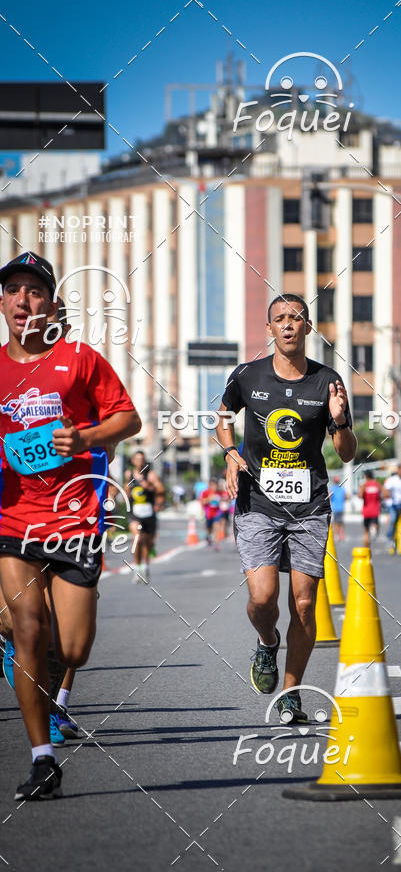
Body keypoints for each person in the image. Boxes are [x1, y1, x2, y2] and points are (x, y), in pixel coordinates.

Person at [0, 251, 141, 801]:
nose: (22, 299)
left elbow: (128, 418)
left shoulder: (80, 359)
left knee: (72, 649)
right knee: (28, 628)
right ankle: (42, 759)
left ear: (52, 304)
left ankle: (39, 654)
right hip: (13, 519)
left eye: (34, 290)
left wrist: (84, 438)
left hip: (74, 518)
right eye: (13, 289)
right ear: (2, 303)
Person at [216, 293, 356, 723]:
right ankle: (267, 642)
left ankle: (291, 693)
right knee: (262, 598)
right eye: (280, 318)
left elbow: (347, 453)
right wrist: (229, 453)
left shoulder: (327, 380)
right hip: (257, 501)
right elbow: (222, 418)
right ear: (269, 328)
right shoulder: (247, 375)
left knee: (305, 603)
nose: (289, 325)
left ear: (308, 327)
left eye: (296, 318)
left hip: (309, 505)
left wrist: (340, 419)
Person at [125, 450, 165, 583]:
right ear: (133, 461)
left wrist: (150, 487)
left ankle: (145, 567)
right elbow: (126, 490)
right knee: (137, 538)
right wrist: (126, 492)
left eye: (141, 459)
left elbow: (161, 490)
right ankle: (137, 569)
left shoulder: (151, 475)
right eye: (137, 459)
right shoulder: (129, 474)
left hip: (148, 513)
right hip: (135, 513)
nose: (139, 462)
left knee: (147, 543)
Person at [358, 470, 383, 547]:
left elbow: (360, 496)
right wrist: (379, 498)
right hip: (375, 509)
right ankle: (374, 529)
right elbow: (385, 493)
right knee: (376, 525)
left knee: (366, 531)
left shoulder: (365, 485)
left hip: (366, 510)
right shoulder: (377, 484)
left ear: (366, 476)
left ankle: (366, 549)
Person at [329, 475, 347, 540]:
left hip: (335, 508)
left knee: (336, 522)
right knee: (341, 522)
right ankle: (341, 535)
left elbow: (329, 498)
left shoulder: (332, 489)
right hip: (341, 508)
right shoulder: (342, 489)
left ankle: (336, 535)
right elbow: (346, 497)